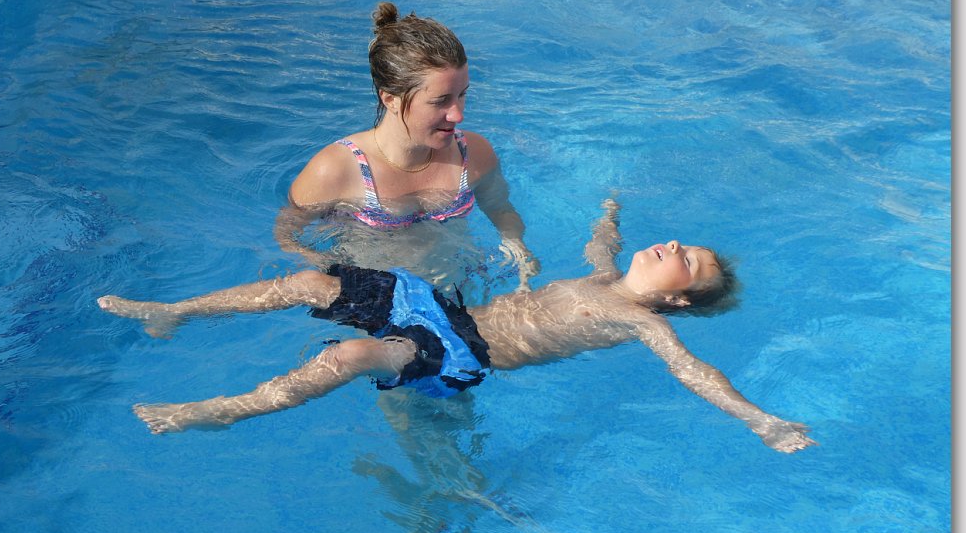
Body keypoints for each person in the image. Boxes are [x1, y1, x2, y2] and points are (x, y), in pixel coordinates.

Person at [98, 199, 817, 454]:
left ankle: (221, 411)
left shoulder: (638, 321)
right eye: (683, 241)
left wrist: (760, 420)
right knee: (309, 283)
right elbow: (601, 247)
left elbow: (692, 371)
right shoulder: (605, 278)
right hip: (441, 310)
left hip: (461, 352)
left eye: (687, 261)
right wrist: (610, 213)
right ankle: (174, 311)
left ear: (679, 302)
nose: (676, 245)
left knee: (349, 355)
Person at [273, 1, 540, 290]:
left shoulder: (474, 154)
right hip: (373, 299)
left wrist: (517, 248)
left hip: (458, 286)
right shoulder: (335, 169)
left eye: (462, 95)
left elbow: (500, 209)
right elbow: (287, 238)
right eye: (440, 101)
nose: (458, 114)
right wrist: (333, 279)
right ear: (390, 99)